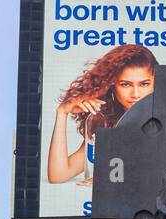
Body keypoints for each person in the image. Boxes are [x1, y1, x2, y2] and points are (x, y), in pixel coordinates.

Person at [47, 44, 157, 185]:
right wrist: (62, 112)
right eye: (125, 84)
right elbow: (59, 175)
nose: (135, 94)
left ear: (156, 83)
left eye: (144, 84)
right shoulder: (109, 123)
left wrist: (112, 179)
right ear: (112, 86)